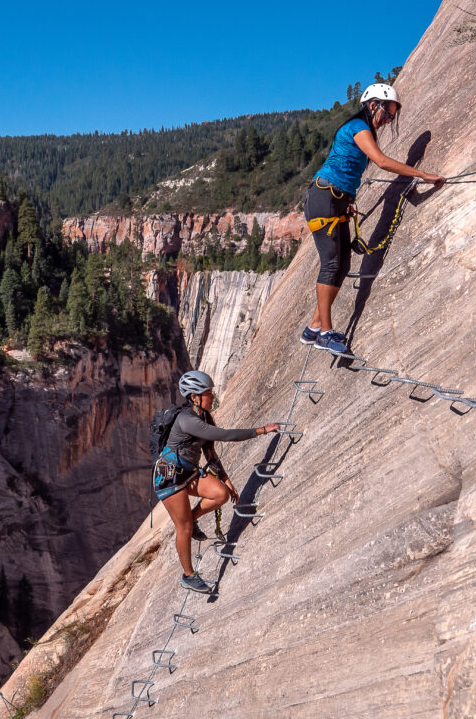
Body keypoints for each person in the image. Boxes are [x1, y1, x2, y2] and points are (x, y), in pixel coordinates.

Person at [300, 83, 446, 355]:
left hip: (337, 201)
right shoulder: (358, 127)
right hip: (325, 198)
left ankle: (313, 328)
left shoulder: (364, 130)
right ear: (372, 105)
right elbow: (380, 161)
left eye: (392, 116)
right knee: (331, 264)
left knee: (343, 265)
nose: (388, 119)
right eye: (387, 113)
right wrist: (422, 174)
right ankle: (325, 333)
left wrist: (348, 202)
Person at [155, 370, 281, 593]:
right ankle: (188, 575)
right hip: (169, 478)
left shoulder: (202, 416)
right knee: (182, 527)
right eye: (208, 393)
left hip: (187, 473)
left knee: (221, 494)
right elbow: (224, 435)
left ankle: (192, 520)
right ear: (195, 397)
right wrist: (261, 430)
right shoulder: (187, 420)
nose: (212, 397)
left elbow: (210, 453)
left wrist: (226, 479)